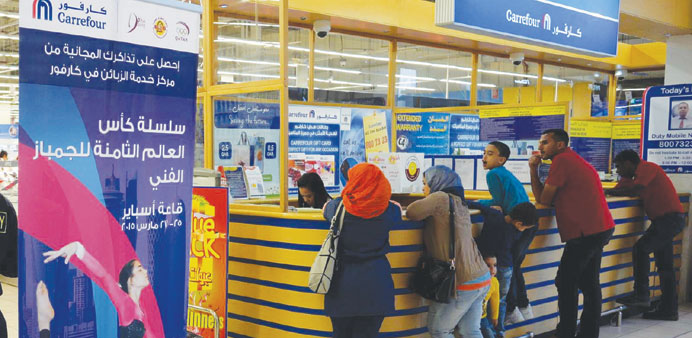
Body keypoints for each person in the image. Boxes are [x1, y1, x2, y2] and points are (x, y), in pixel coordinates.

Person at [529, 129, 615, 338]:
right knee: (589, 282)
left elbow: (544, 200)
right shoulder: (572, 159)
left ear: (560, 145)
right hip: (599, 228)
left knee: (565, 281)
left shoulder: (562, 161)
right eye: (540, 143)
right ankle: (588, 332)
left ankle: (566, 332)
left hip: (585, 233)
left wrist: (533, 169)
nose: (540, 147)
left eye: (545, 143)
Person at [407, 165, 489, 338]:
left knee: (439, 329)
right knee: (470, 330)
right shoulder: (458, 201)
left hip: (461, 279)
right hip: (480, 277)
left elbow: (412, 212)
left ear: (437, 182)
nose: (423, 188)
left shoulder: (440, 198)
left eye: (425, 183)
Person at [606, 150, 686, 320]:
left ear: (629, 163)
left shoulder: (648, 168)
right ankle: (669, 310)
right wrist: (609, 192)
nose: (618, 171)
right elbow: (620, 189)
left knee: (641, 249)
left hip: (669, 219)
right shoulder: (631, 176)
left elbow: (636, 190)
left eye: (619, 167)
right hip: (663, 221)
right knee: (665, 268)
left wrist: (610, 193)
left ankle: (641, 295)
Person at [322, 163, 399, 338]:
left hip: (343, 284)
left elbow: (325, 209)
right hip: (376, 284)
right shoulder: (389, 210)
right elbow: (399, 210)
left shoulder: (338, 207)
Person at [477, 141, 536, 325]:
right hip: (528, 222)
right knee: (514, 266)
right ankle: (523, 307)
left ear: (502, 159)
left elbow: (498, 202)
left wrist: (477, 203)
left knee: (507, 267)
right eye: (485, 153)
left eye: (491, 153)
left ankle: (512, 309)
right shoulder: (504, 173)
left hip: (517, 223)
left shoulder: (494, 174)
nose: (485, 157)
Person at [42, 241, 154, 338]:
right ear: (131, 280)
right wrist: (78, 248)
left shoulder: (141, 307)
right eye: (140, 270)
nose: (145, 271)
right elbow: (104, 276)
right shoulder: (124, 301)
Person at [470, 200, 537, 337]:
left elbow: (476, 205)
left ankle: (487, 332)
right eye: (525, 228)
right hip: (505, 268)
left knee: (482, 302)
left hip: (485, 265)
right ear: (519, 224)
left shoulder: (494, 214)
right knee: (500, 301)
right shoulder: (513, 232)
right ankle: (499, 331)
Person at [480, 255, 500, 338]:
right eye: (488, 266)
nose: (493, 269)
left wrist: (495, 317)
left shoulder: (494, 282)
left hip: (482, 317)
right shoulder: (476, 282)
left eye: (495, 265)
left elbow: (495, 300)